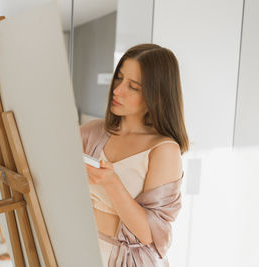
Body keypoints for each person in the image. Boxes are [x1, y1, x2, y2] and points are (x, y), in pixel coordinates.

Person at [80, 43, 189, 266]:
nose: (117, 90)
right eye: (119, 78)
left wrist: (112, 183)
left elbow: (150, 234)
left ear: (156, 95)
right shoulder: (93, 132)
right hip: (83, 249)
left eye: (133, 87)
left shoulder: (164, 150)